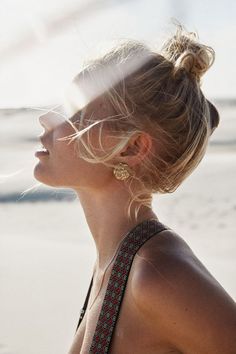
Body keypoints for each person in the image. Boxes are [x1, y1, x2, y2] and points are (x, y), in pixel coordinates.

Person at [34, 24, 236, 354]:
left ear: (131, 148)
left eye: (76, 111)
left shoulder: (158, 277)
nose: (47, 119)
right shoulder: (116, 261)